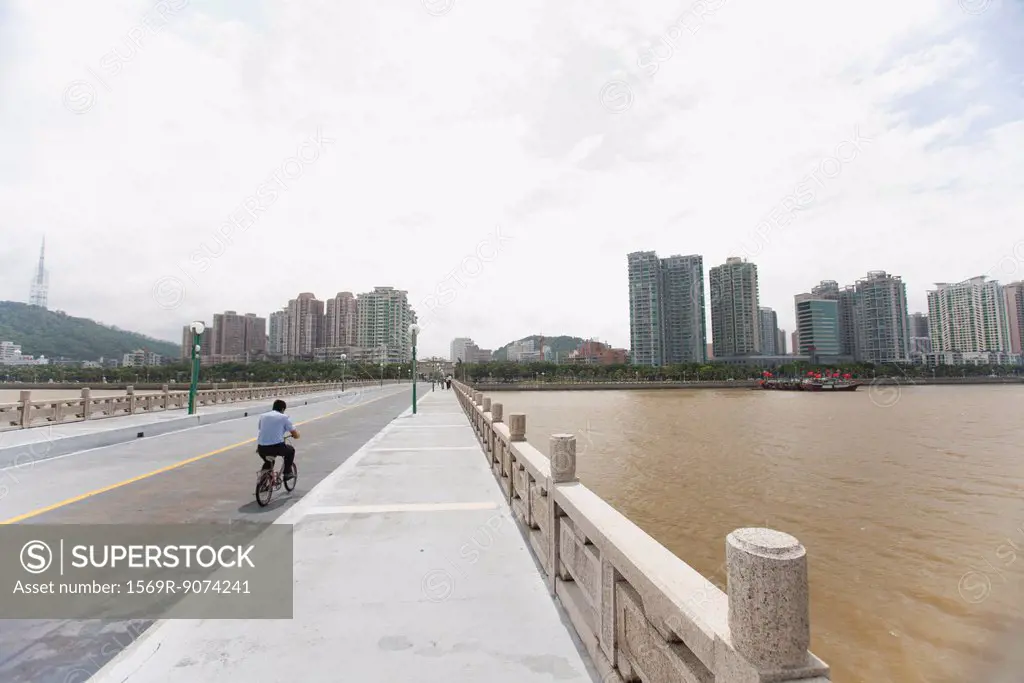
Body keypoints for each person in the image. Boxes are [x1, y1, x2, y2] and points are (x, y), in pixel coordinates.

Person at [257, 399, 300, 481]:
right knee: (290, 451)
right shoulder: (284, 417)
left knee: (268, 461)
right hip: (276, 447)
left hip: (261, 448)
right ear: (283, 409)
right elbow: (294, 432)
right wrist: (297, 436)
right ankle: (287, 473)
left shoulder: (263, 416)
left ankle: (262, 481)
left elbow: (261, 429)